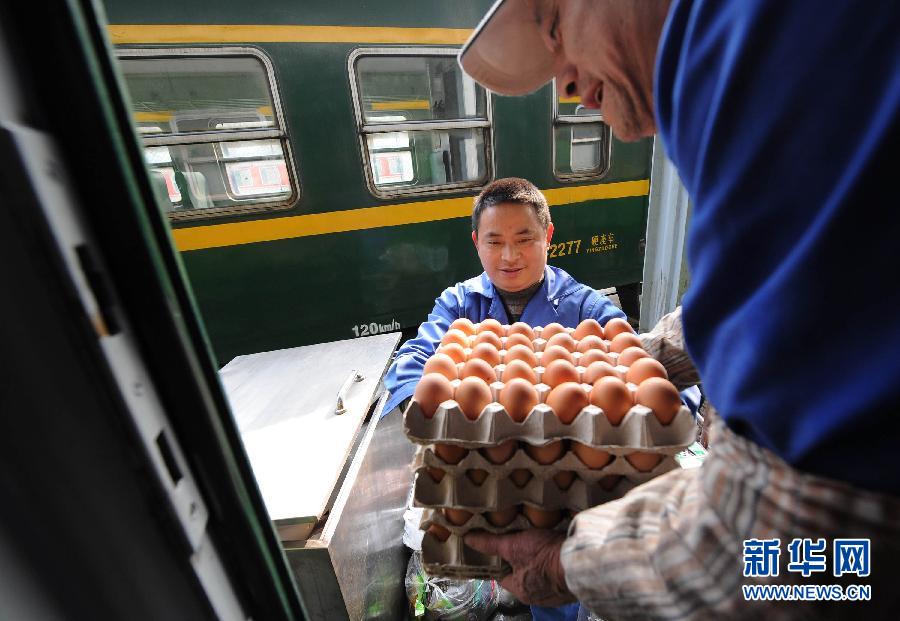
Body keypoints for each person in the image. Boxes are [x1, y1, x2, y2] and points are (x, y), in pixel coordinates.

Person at [458, 0, 900, 619]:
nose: (567, 82)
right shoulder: (773, 54)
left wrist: (560, 566)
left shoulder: (768, 58)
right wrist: (643, 360)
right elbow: (799, 290)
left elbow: (798, 552)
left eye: (558, 30)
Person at [382, 176, 626, 417]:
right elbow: (414, 358)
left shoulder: (588, 310)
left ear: (548, 236)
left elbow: (629, 357)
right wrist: (424, 404)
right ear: (477, 242)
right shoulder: (458, 305)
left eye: (524, 240)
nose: (509, 256)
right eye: (495, 242)